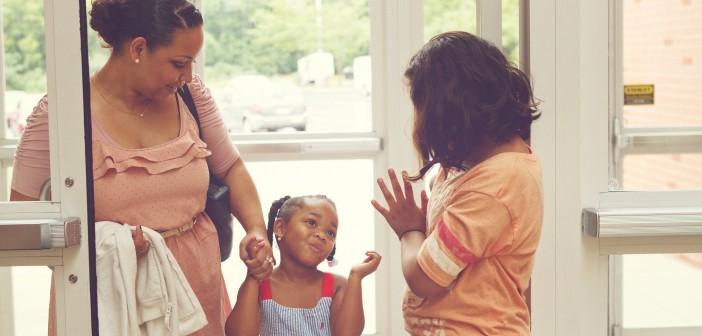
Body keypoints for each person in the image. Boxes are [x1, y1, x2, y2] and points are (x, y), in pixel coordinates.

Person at [10, 0, 274, 334]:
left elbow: (231, 168)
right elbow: (25, 220)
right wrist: (108, 246)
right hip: (105, 302)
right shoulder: (60, 112)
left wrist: (255, 228)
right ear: (138, 48)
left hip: (196, 291)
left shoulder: (191, 96)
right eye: (179, 62)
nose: (189, 75)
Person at [371, 31, 544, 335]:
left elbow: (424, 279)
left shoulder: (497, 185)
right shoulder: (469, 165)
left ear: (449, 111)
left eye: (422, 109)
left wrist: (409, 230)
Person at [225, 195, 382, 336]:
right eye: (311, 222)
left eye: (330, 233)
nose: (322, 235)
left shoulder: (336, 286)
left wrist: (356, 276)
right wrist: (254, 273)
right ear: (280, 228)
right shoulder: (259, 284)